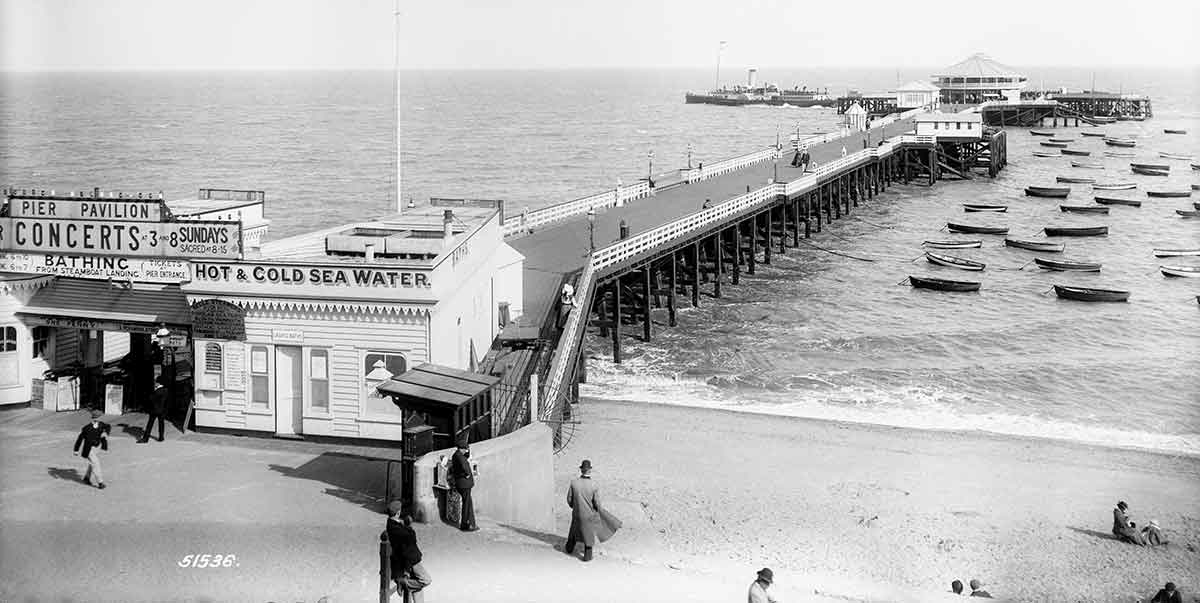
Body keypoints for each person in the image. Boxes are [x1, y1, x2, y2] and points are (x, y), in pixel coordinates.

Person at [564, 459, 621, 562]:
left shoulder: (574, 483)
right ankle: (587, 557)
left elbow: (569, 500)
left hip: (577, 514)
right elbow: (597, 504)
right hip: (588, 516)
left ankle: (569, 549)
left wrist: (576, 507)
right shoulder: (594, 485)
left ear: (581, 470)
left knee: (573, 532)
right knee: (588, 538)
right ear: (589, 471)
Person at [386, 502, 432, 603]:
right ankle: (404, 583)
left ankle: (407, 584)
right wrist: (409, 527)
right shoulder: (395, 527)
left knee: (418, 586)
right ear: (398, 513)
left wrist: (404, 525)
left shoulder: (394, 523)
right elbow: (411, 537)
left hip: (408, 557)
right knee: (426, 580)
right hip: (410, 559)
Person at [73, 408, 110, 489]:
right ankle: (100, 482)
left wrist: (105, 432)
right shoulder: (86, 428)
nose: (101, 419)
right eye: (100, 417)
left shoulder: (102, 424)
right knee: (96, 463)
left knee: (92, 464)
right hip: (89, 449)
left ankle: (87, 477)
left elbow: (108, 426)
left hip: (97, 447)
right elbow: (80, 439)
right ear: (95, 418)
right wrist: (76, 450)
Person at [449, 434, 477, 532]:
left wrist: (468, 452)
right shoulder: (460, 457)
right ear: (461, 448)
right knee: (466, 504)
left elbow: (465, 459)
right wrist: (468, 474)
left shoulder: (456, 455)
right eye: (465, 449)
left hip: (460, 483)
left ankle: (469, 524)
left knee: (467, 503)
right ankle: (465, 524)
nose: (466, 450)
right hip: (464, 483)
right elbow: (464, 466)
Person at [138, 377, 168, 443]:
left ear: (158, 383)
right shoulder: (166, 390)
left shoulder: (157, 391)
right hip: (162, 410)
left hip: (154, 410)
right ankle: (161, 437)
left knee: (150, 424)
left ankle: (145, 439)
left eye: (156, 382)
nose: (155, 383)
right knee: (161, 423)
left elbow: (151, 399)